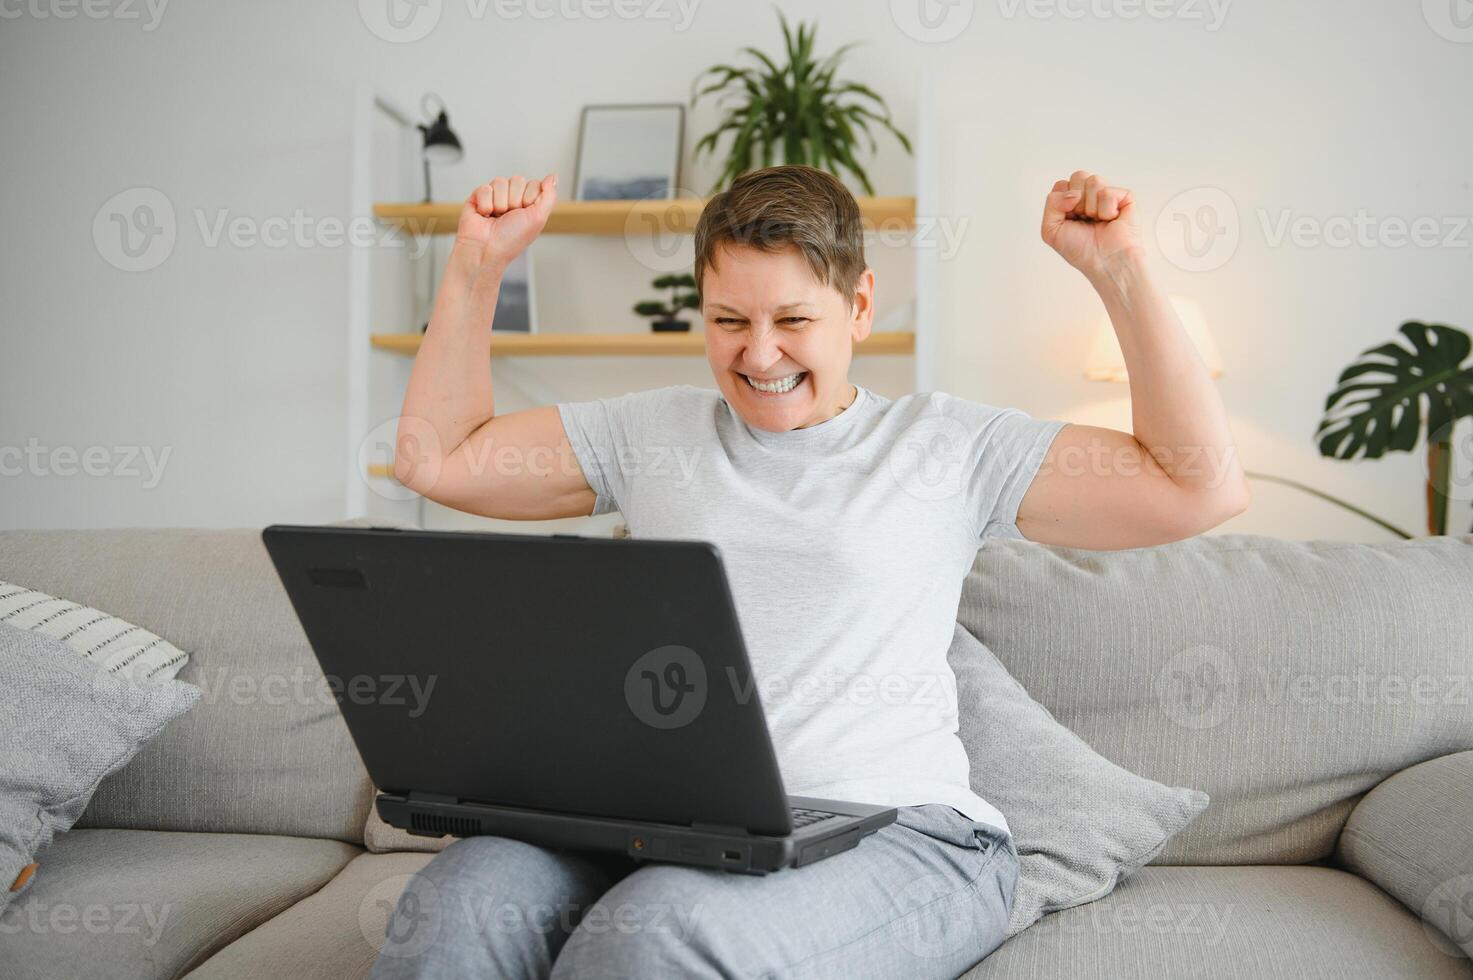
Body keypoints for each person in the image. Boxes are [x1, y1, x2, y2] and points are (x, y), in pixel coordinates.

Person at [375, 164, 1248, 979]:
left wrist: (1120, 269)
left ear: (858, 304)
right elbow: (437, 458)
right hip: (669, 826)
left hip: (903, 836)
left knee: (658, 931)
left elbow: (1195, 487)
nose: (759, 356)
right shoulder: (653, 436)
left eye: (792, 320)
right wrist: (475, 267)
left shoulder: (948, 446)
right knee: (460, 901)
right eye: (728, 321)